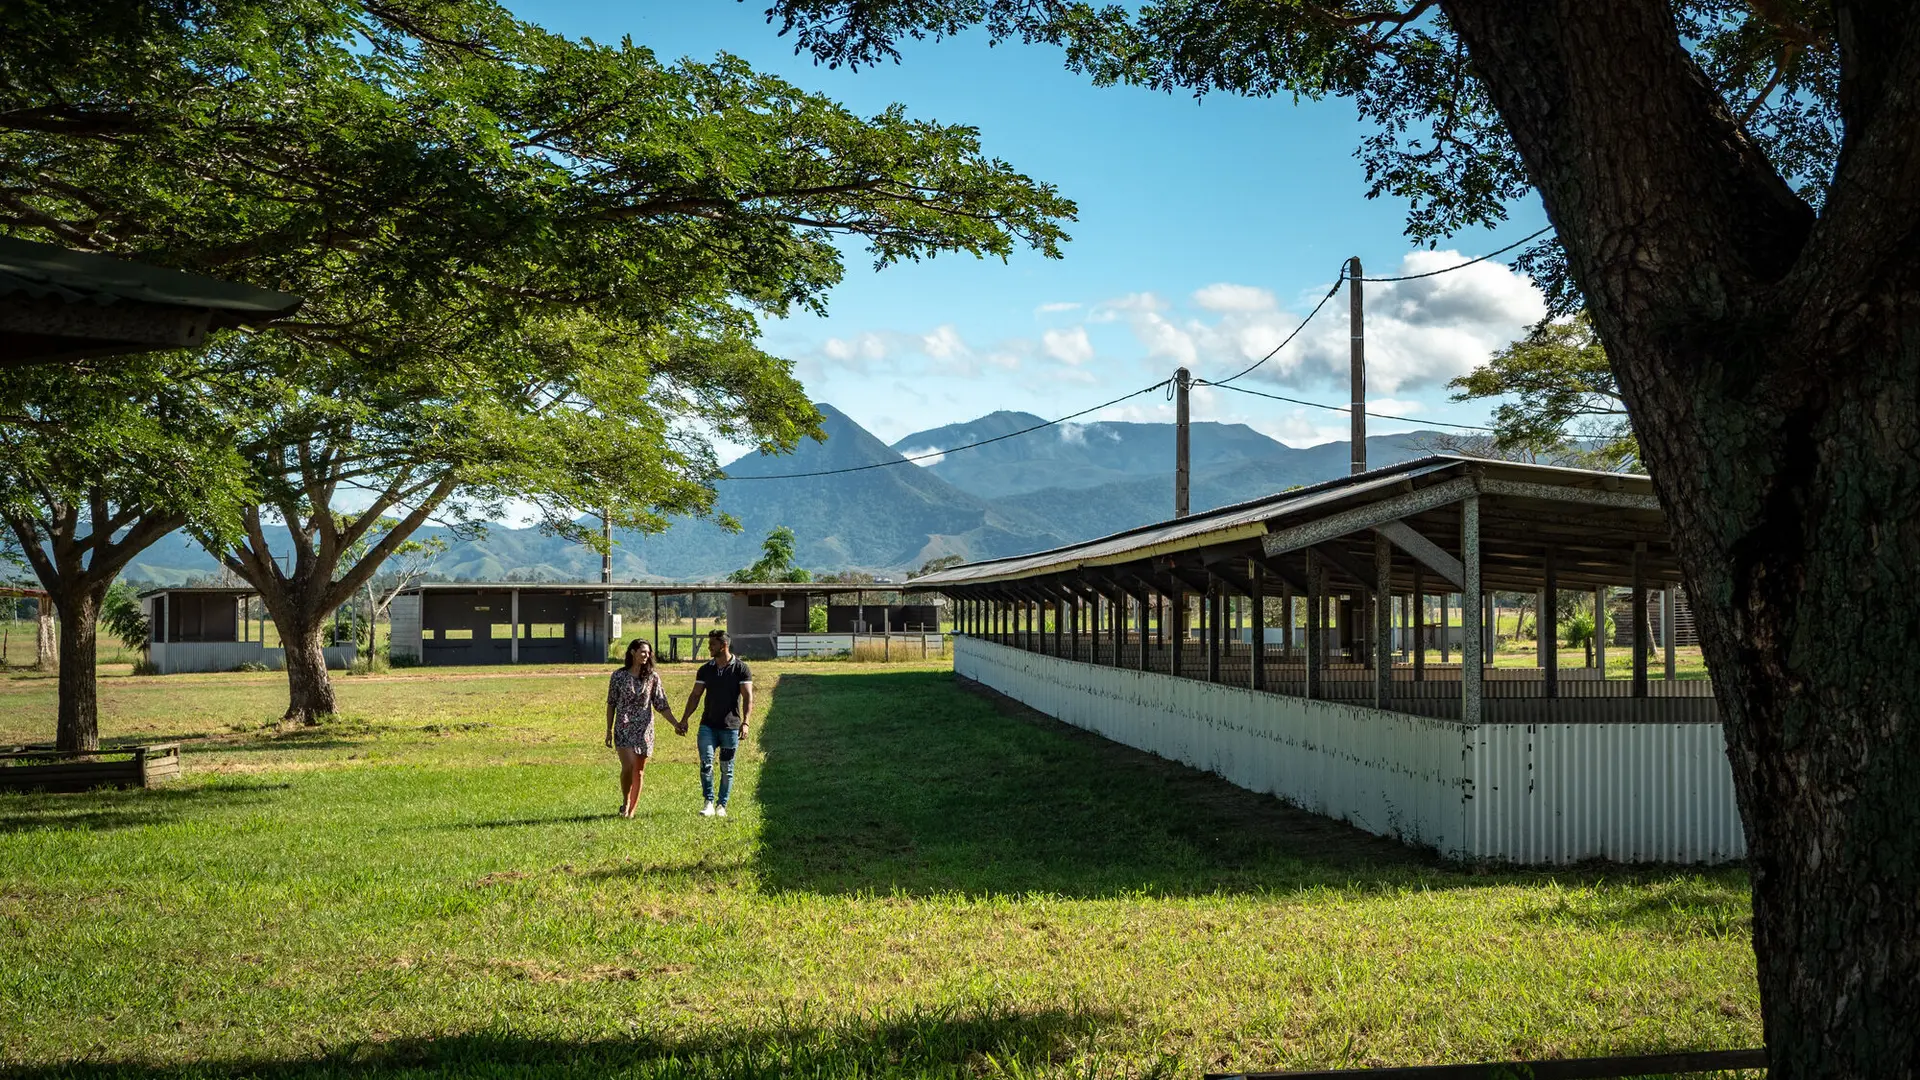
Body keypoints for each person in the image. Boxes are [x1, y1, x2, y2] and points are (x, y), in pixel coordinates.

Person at [606, 638, 682, 819]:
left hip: (644, 728)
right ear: (632, 652)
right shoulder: (618, 676)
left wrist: (676, 724)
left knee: (638, 770)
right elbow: (611, 703)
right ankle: (625, 801)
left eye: (648, 653)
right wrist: (608, 730)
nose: (646, 656)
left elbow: (661, 704)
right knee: (628, 767)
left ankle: (631, 810)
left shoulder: (652, 677)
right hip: (623, 726)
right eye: (642, 652)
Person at [682, 628, 752, 817]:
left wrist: (745, 723)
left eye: (713, 644)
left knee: (726, 767)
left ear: (724, 645)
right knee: (706, 763)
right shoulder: (706, 669)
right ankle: (709, 802)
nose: (709, 647)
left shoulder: (741, 669)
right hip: (708, 726)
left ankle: (722, 805)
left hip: (731, 727)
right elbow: (695, 695)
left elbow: (747, 697)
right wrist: (685, 719)